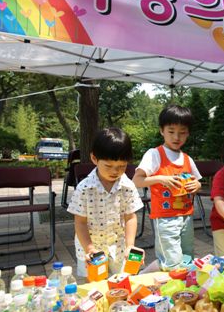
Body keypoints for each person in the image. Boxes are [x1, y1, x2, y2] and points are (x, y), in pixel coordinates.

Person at [133, 105, 202, 271]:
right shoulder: (154, 154)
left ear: (188, 133)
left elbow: (197, 181)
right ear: (161, 131)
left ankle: (183, 290)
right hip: (165, 218)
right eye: (171, 131)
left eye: (182, 132)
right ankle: (162, 284)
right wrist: (160, 178)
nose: (176, 137)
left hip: (186, 217)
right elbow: (136, 180)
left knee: (187, 258)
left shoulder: (187, 158)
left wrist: (196, 185)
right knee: (171, 262)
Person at [67, 127, 143, 277]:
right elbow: (80, 222)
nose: (115, 171)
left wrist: (130, 246)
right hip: (91, 251)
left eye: (122, 166)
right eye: (108, 166)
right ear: (94, 159)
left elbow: (130, 217)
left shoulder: (127, 186)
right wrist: (90, 249)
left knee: (121, 283)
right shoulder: (84, 188)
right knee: (94, 288)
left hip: (119, 249)